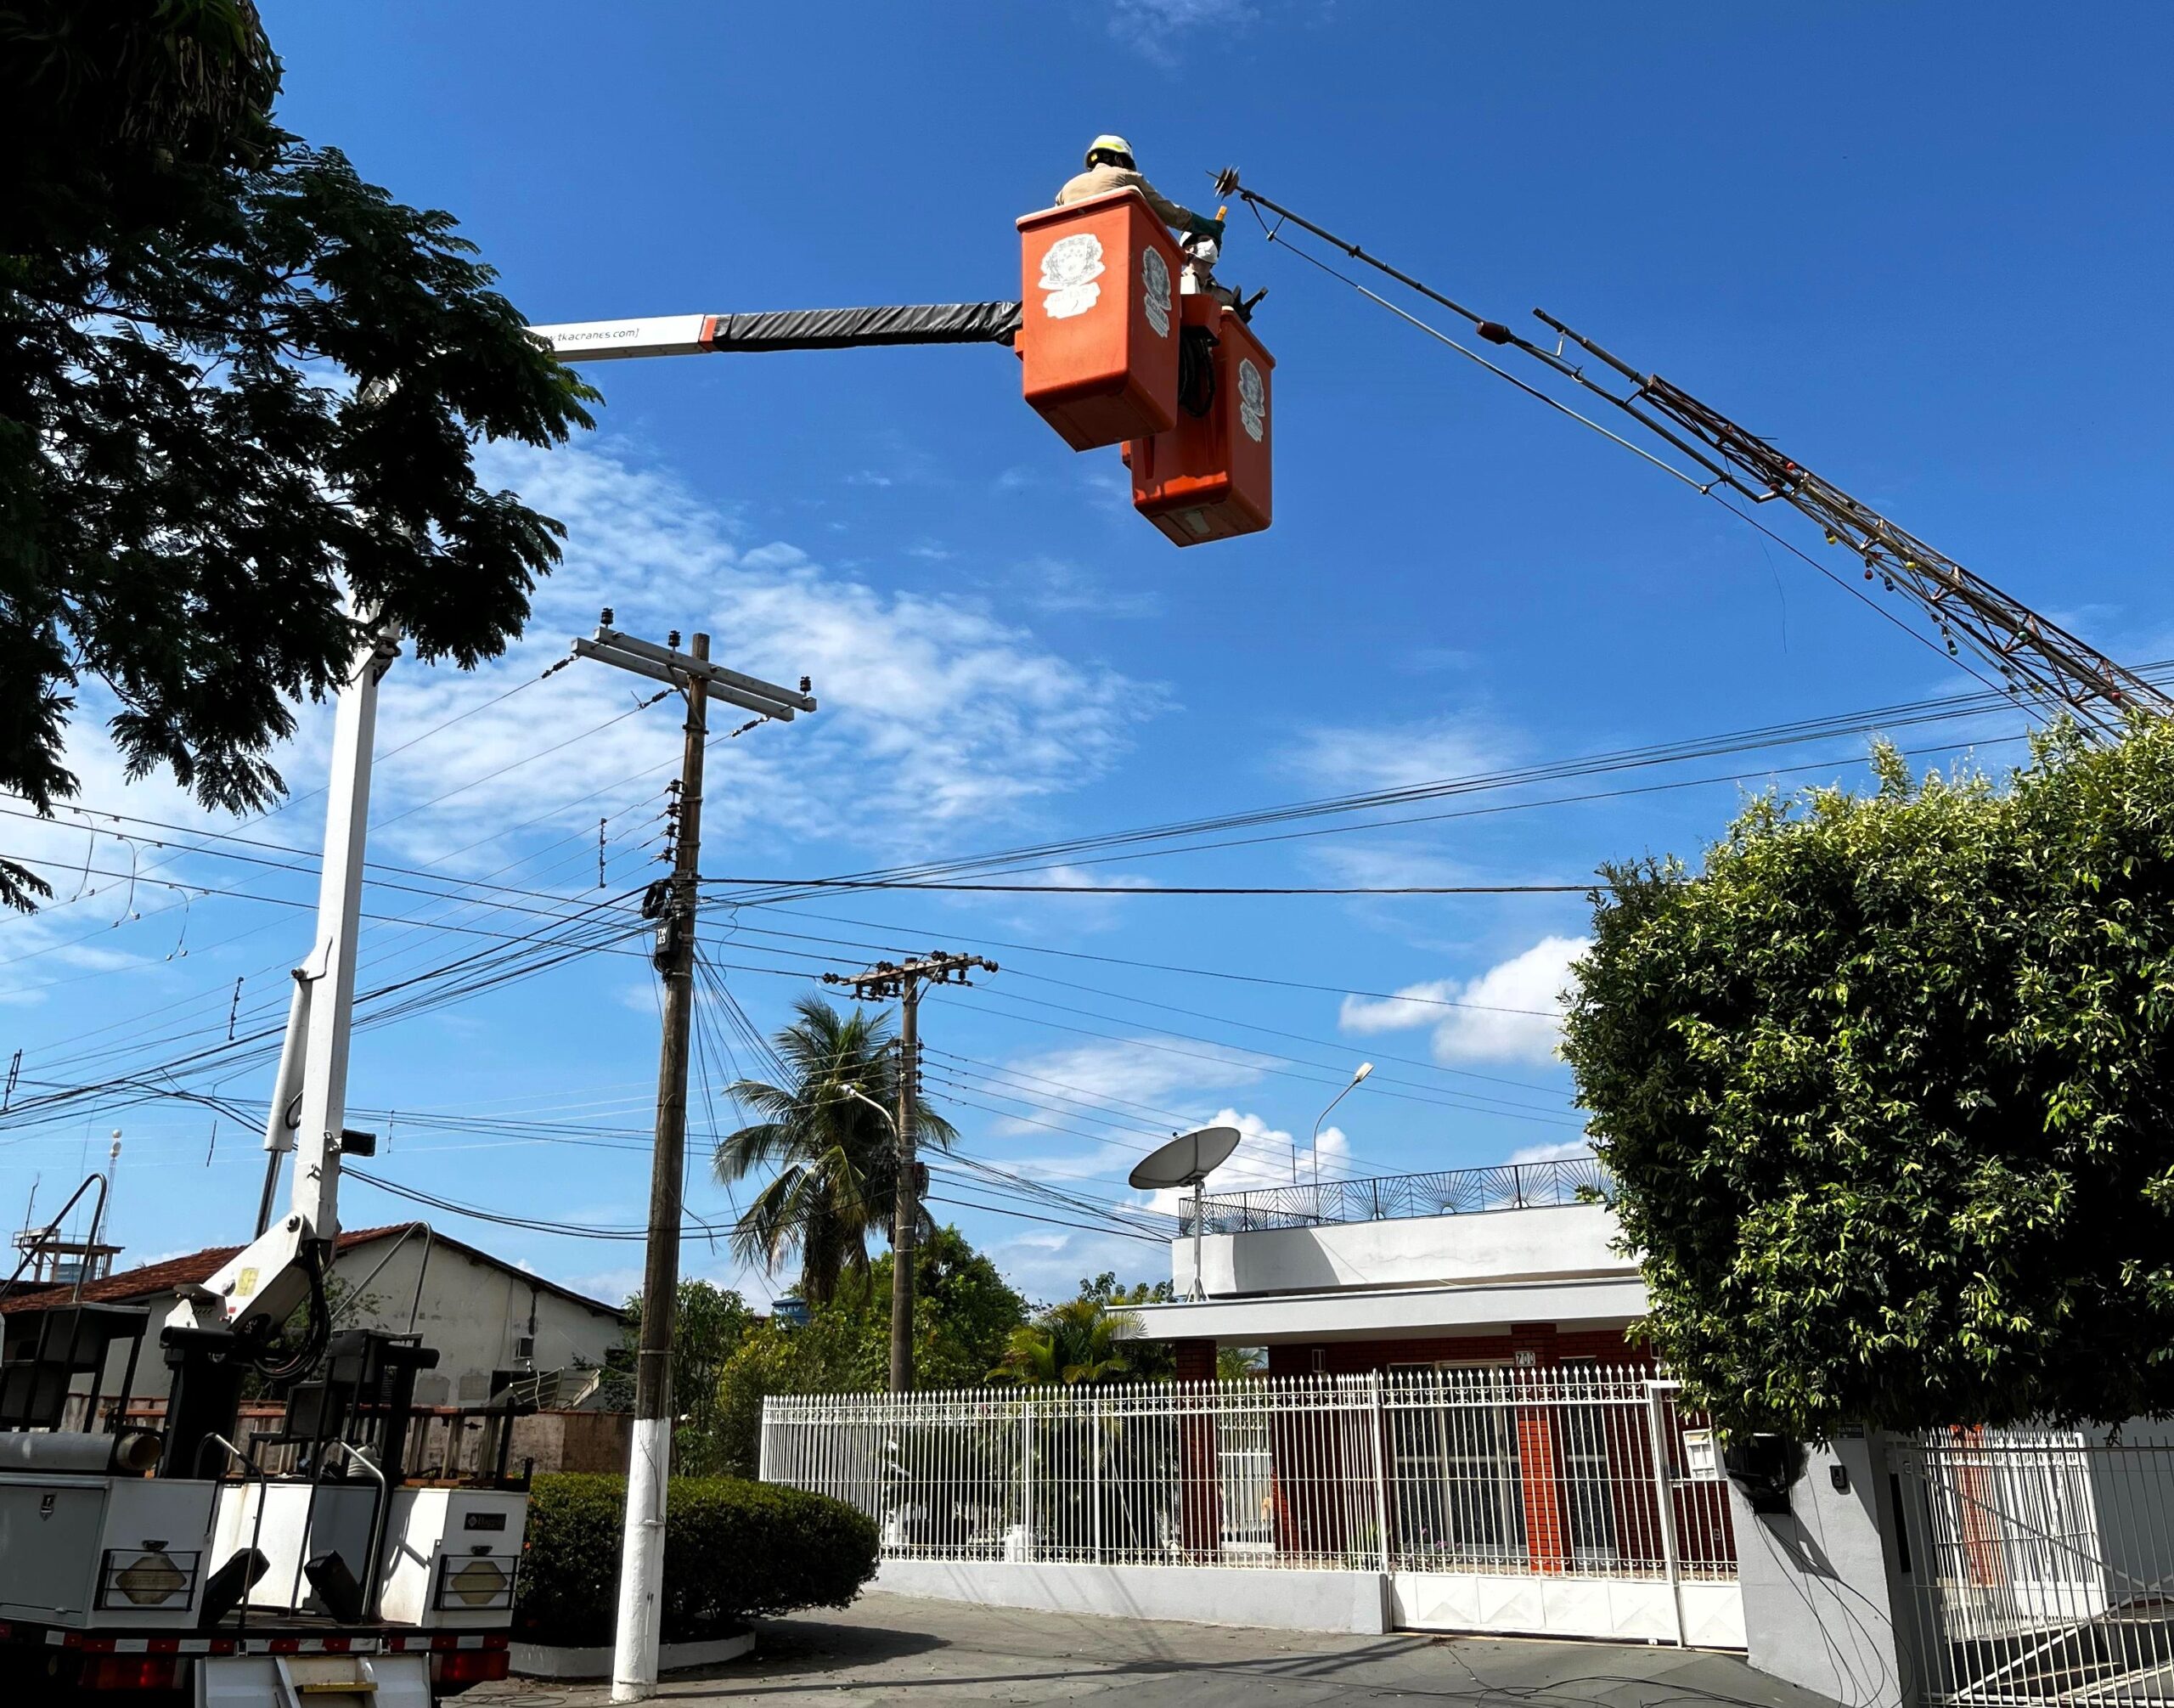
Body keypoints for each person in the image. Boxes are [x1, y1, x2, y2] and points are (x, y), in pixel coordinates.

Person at [1056, 135, 1225, 244]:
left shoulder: (1066, 188)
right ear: (1119, 160)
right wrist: (1208, 227)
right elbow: (1168, 212)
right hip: (1115, 245)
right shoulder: (1126, 176)